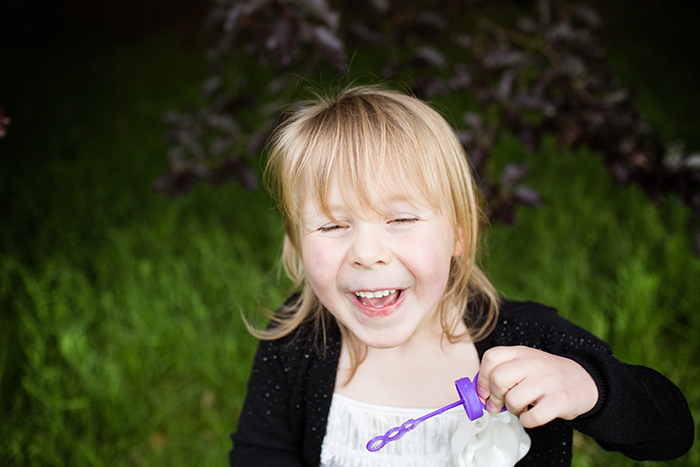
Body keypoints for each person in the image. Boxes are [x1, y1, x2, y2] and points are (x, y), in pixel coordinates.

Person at [229, 85, 694, 466]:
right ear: (296, 244)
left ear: (458, 233)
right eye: (332, 226)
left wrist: (587, 387)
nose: (367, 254)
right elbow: (258, 456)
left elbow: (671, 432)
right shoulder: (298, 342)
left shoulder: (525, 340)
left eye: (401, 220)